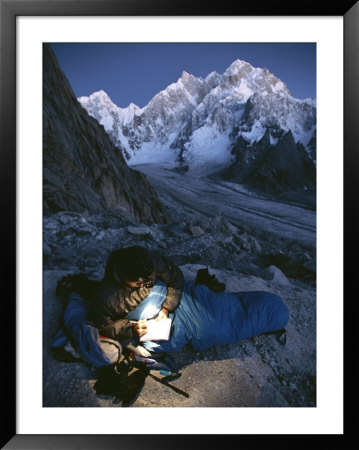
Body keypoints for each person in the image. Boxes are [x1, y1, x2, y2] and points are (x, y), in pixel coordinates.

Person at [87, 245, 184, 341]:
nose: (142, 285)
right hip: (137, 323)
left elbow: (175, 276)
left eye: (147, 280)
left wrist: (166, 308)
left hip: (161, 306)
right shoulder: (106, 298)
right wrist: (131, 328)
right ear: (123, 277)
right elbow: (103, 327)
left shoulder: (150, 262)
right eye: (137, 283)